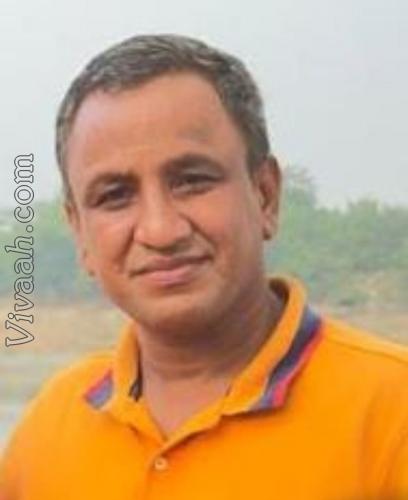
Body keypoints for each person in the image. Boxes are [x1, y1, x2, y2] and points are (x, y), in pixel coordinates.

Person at [1, 34, 407, 500]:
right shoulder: (50, 432)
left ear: (265, 195)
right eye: (115, 196)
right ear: (79, 234)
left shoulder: (391, 414)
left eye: (192, 181)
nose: (160, 230)